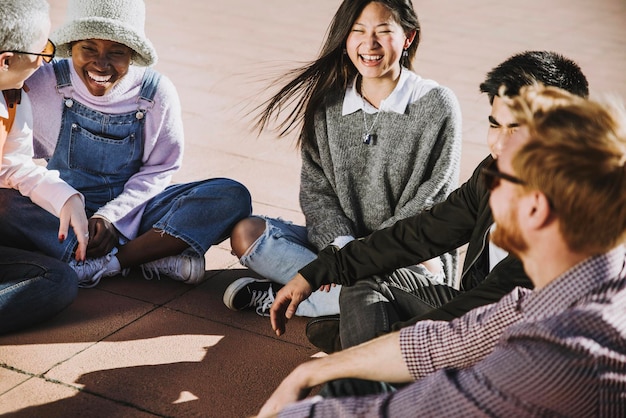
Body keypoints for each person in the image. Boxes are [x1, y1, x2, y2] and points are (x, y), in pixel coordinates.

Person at [256, 85, 626, 417]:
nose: (490, 175)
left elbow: (404, 407)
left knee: (351, 392)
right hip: (470, 319)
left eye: (502, 178)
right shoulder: (580, 284)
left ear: (535, 208)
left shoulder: (555, 356)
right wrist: (313, 369)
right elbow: (460, 335)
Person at [273, 51, 590, 354]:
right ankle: (365, 348)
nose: (499, 143)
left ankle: (363, 360)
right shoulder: (496, 174)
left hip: (527, 350)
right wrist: (323, 268)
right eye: (495, 124)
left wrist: (389, 342)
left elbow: (496, 306)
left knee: (374, 352)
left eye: (517, 128)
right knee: (369, 274)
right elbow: (423, 233)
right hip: (475, 316)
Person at [223, 0, 462, 318]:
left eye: (383, 31)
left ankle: (291, 296)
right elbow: (316, 194)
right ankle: (349, 300)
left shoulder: (436, 104)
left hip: (406, 255)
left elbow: (430, 204)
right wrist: (342, 249)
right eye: (358, 30)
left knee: (398, 290)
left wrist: (356, 260)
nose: (369, 43)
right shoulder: (328, 104)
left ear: (408, 38)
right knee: (247, 234)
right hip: (339, 248)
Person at [0, 0, 252, 288]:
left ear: (133, 53)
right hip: (61, 210)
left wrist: (112, 217)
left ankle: (110, 263)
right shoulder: (40, 78)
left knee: (231, 195)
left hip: (138, 210)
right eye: (89, 48)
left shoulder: (156, 93)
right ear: (71, 46)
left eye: (117, 52)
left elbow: (161, 169)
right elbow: (13, 158)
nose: (101, 63)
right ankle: (148, 255)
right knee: (3, 202)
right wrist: (66, 201)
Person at [0, 0, 87, 333]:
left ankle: (85, 255)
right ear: (6, 60)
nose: (47, 60)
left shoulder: (12, 95)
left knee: (59, 280)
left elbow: (13, 165)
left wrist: (66, 197)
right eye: (43, 51)